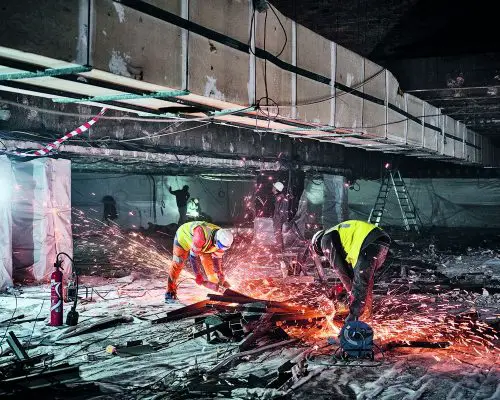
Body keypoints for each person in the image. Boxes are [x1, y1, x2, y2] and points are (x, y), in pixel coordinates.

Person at [310, 220, 391, 321]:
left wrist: (350, 292)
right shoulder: (342, 237)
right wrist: (340, 289)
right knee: (365, 282)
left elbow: (340, 269)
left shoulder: (325, 239)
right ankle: (366, 318)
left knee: (360, 283)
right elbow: (351, 274)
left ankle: (352, 320)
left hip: (368, 243)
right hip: (382, 242)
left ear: (316, 245)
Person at [165, 221, 234, 302]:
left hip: (203, 244)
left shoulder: (222, 239)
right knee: (178, 262)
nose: (221, 248)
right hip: (183, 237)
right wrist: (198, 275)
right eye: (220, 246)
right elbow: (193, 257)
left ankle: (218, 286)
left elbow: (216, 259)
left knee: (208, 264)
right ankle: (170, 292)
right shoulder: (200, 236)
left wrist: (219, 273)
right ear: (216, 239)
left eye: (223, 247)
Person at [272, 181, 289, 253]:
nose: (272, 188)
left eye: (274, 187)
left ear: (276, 189)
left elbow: (281, 212)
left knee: (278, 234)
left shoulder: (281, 199)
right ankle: (280, 249)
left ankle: (280, 250)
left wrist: (277, 220)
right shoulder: (279, 197)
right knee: (278, 234)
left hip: (279, 220)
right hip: (278, 219)